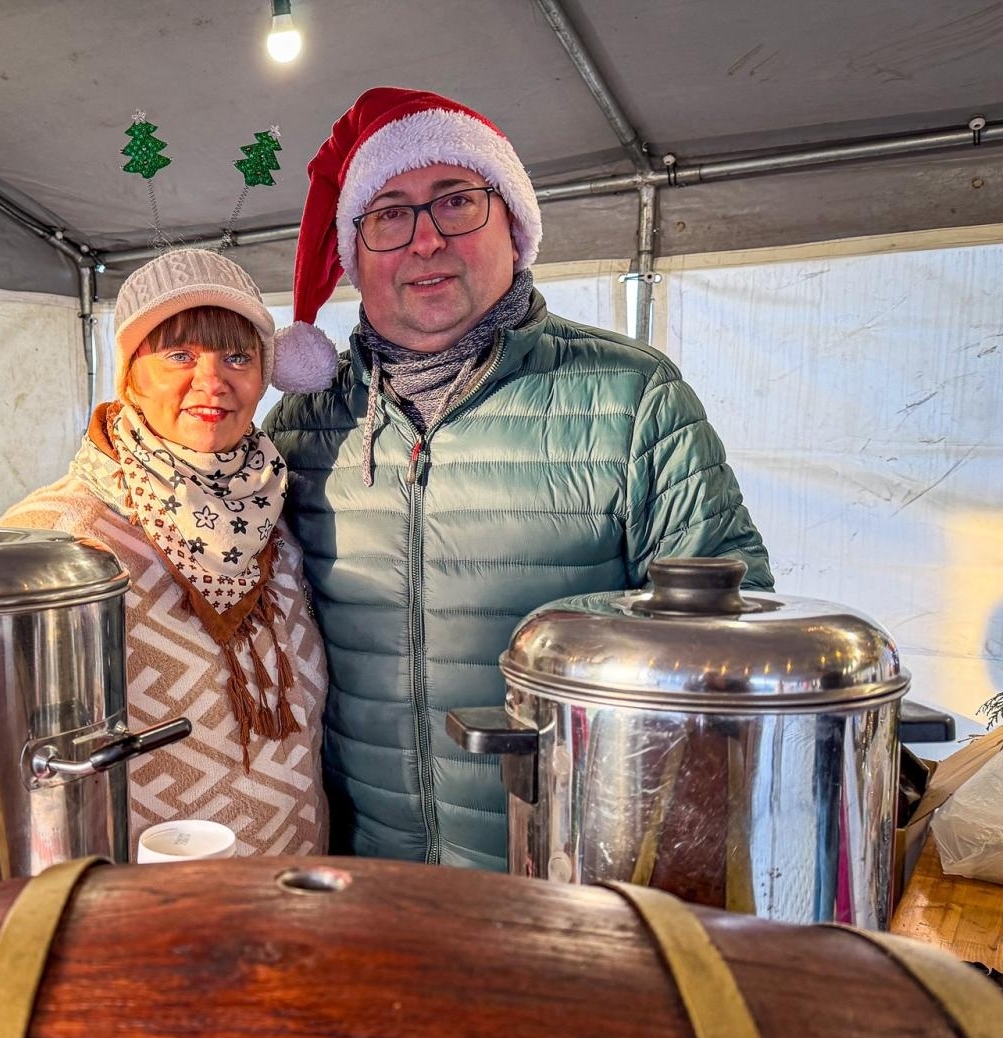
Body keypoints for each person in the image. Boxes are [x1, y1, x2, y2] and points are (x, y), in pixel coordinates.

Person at [262, 87, 771, 869]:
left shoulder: (632, 397)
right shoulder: (303, 425)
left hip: (569, 872)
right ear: (353, 249)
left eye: (456, 202)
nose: (424, 241)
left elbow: (725, 651)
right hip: (363, 879)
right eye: (389, 214)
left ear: (515, 223)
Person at [2, 248, 328, 856]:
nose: (212, 381)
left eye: (238, 356)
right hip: (140, 900)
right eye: (180, 355)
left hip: (294, 881)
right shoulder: (55, 539)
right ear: (129, 375)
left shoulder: (279, 508)